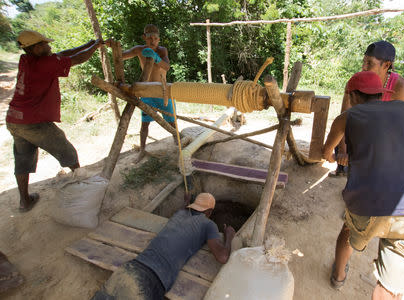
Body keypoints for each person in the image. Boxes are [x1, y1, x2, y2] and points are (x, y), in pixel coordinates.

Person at [322, 71, 404, 299]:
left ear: (353, 96)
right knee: (388, 288)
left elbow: (326, 153)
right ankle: (387, 287)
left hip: (370, 208)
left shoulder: (348, 116)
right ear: (381, 93)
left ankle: (338, 276)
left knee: (348, 229)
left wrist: (338, 158)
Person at [6, 30, 103, 212]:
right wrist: (96, 47)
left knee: (23, 160)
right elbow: (78, 59)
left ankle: (25, 202)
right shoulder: (44, 65)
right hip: (33, 122)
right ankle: (84, 189)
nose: (49, 46)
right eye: (45, 44)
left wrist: (89, 43)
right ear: (36, 48)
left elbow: (64, 54)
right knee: (67, 151)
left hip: (14, 120)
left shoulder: (26, 59)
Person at [91, 193, 235, 300]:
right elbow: (222, 257)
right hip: (151, 280)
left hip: (128, 269)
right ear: (209, 212)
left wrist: (186, 202)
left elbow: (184, 210)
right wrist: (229, 236)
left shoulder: (180, 213)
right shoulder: (208, 224)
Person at [331, 40, 404, 176]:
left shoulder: (400, 88)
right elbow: (344, 119)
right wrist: (343, 152)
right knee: (342, 144)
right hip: (361, 134)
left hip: (384, 140)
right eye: (363, 62)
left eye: (369, 63)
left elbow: (401, 129)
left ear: (386, 65)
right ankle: (343, 168)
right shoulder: (356, 81)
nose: (363, 67)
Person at [117, 24, 175, 163]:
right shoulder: (139, 50)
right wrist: (113, 47)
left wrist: (156, 57)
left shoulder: (161, 51)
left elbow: (166, 67)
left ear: (159, 39)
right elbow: (120, 56)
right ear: (144, 38)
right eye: (150, 38)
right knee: (144, 124)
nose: (152, 41)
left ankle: (178, 144)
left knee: (171, 121)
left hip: (162, 91)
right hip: (146, 91)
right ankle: (142, 150)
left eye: (155, 38)